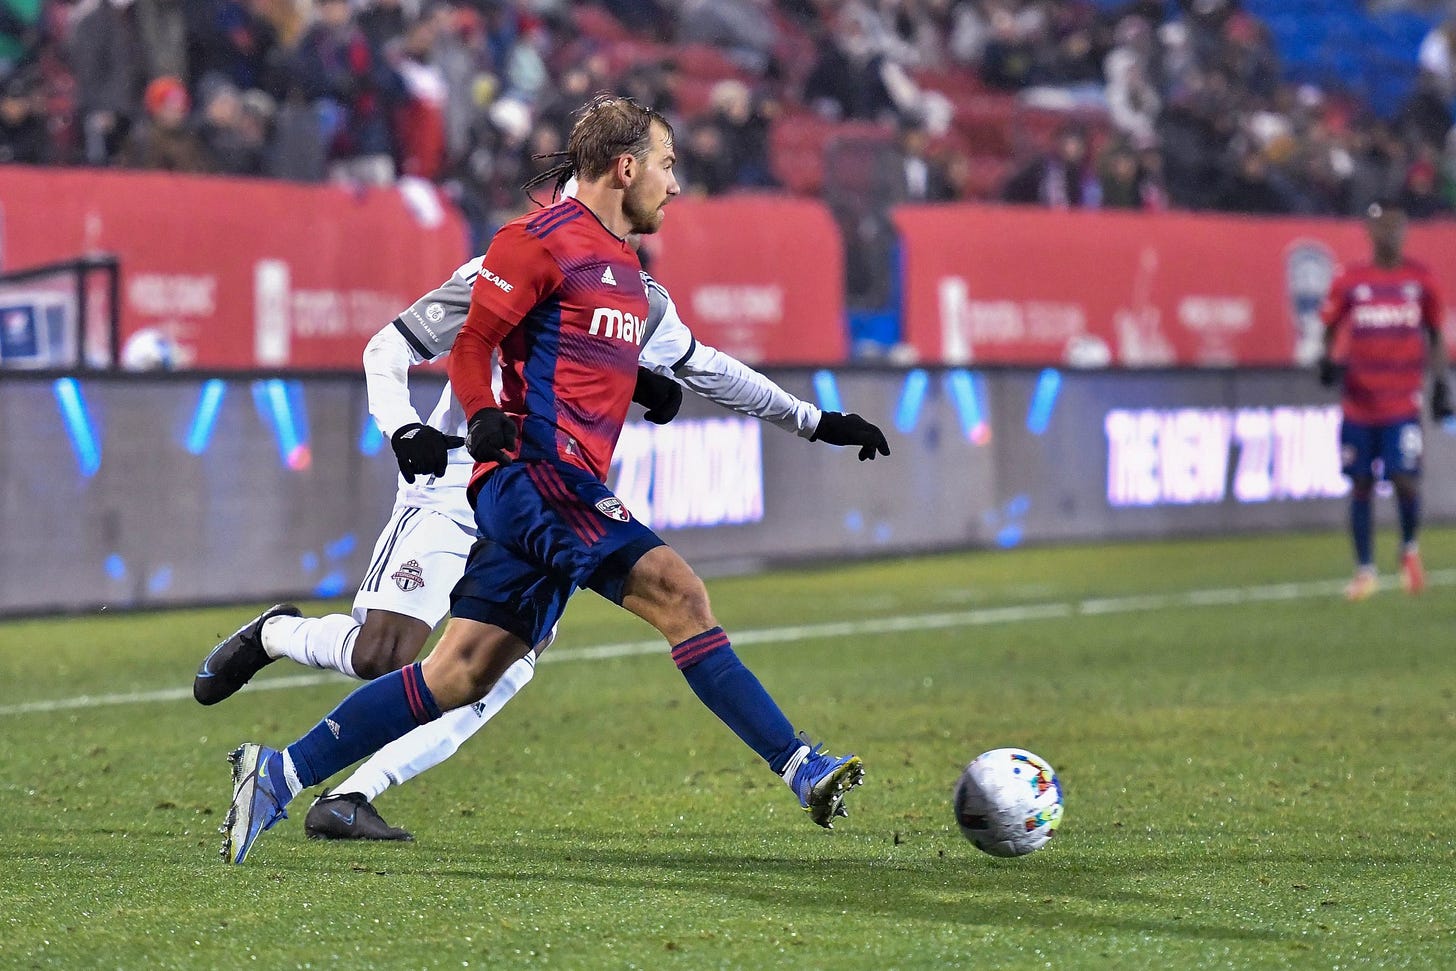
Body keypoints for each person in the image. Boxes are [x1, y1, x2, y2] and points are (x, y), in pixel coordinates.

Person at [215, 96, 889, 863]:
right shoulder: (534, 242)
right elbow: (473, 345)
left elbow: (709, 369)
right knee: (680, 595)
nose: (675, 186)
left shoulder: (633, 278)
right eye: (667, 166)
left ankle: (277, 773)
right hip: (537, 479)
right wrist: (477, 416)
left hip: (540, 493)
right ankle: (802, 765)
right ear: (625, 166)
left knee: (461, 673)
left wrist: (813, 420)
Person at [1318, 198, 1450, 601]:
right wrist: (1326, 359)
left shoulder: (1420, 280)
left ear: (1405, 230)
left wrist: (1441, 384)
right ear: (1370, 231)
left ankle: (1409, 549)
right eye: (1382, 226)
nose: (1390, 233)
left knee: (1404, 479)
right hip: (1359, 402)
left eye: (1396, 226)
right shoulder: (1351, 280)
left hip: (1401, 403)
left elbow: (1436, 334)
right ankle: (1365, 571)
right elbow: (1329, 325)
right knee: (1360, 482)